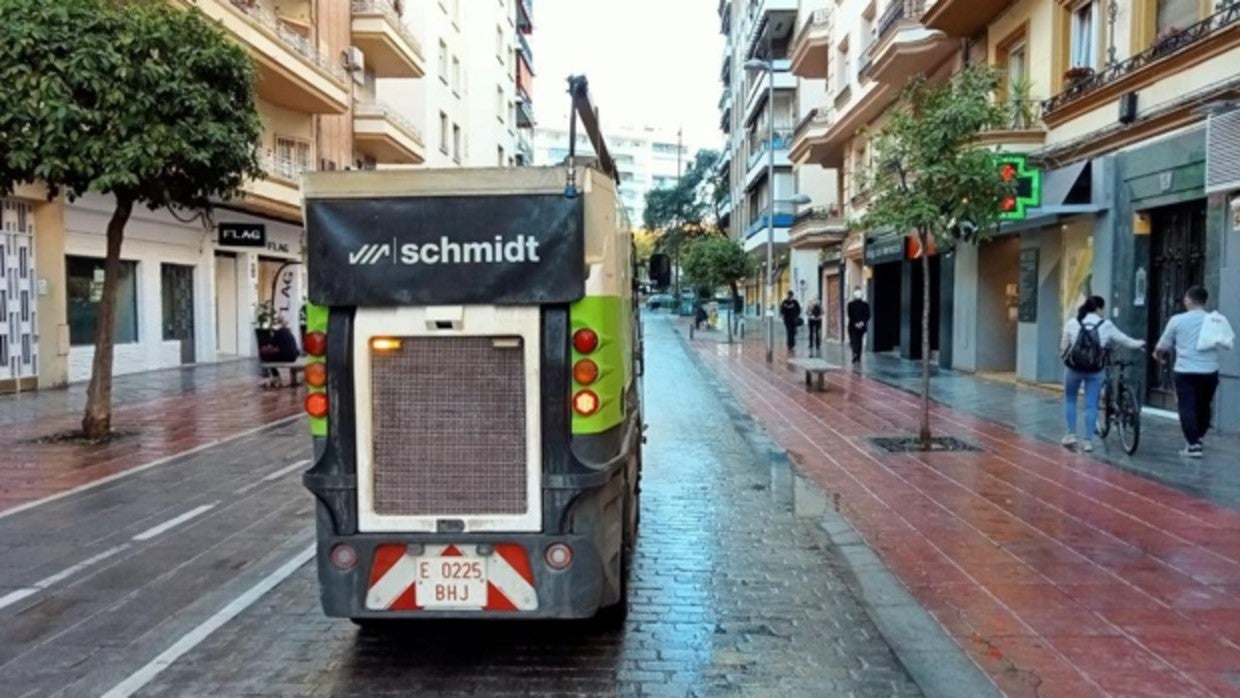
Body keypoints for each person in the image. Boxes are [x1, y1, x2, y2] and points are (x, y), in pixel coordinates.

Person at [1061, 295, 1145, 452]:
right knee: (1091, 404)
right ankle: (1088, 442)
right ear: (1099, 308)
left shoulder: (1072, 323)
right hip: (1095, 370)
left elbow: (1064, 345)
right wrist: (1139, 343)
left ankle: (1071, 434)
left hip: (1073, 369)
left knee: (1070, 400)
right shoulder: (1106, 325)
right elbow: (1124, 340)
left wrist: (1067, 359)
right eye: (1102, 309)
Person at [1154, 285, 1226, 458]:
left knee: (1186, 406)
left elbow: (1163, 345)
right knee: (1203, 405)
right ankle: (1198, 438)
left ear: (1188, 300)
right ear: (1205, 301)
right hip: (1210, 370)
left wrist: (1157, 354)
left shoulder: (1177, 320)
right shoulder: (1214, 320)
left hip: (1186, 371)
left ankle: (1193, 445)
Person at [846, 288, 871, 365]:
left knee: (853, 340)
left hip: (852, 326)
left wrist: (855, 323)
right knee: (859, 340)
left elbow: (850, 315)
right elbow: (868, 315)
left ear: (854, 296)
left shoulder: (850, 304)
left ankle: (855, 353)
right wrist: (862, 323)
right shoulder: (866, 305)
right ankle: (858, 357)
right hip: (862, 326)